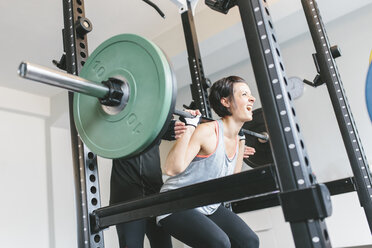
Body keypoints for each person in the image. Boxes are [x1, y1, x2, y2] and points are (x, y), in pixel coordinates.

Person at [157, 76, 259, 248]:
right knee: (219, 243)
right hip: (175, 203)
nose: (252, 98)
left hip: (207, 205)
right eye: (244, 94)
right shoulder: (208, 132)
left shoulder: (237, 138)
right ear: (225, 101)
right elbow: (171, 169)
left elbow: (232, 182)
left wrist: (241, 142)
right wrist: (189, 127)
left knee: (249, 241)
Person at [110, 119, 187, 248]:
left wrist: (183, 123)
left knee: (163, 245)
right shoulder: (119, 117)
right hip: (128, 197)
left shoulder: (154, 119)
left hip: (155, 194)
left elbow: (171, 128)